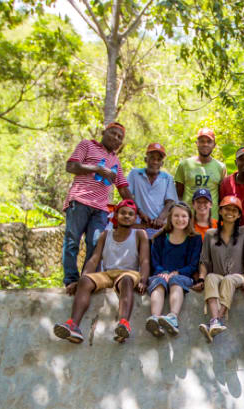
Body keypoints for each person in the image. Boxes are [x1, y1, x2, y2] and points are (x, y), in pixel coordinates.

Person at [54, 199, 150, 343]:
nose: (127, 216)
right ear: (116, 215)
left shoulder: (140, 234)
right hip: (107, 274)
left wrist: (143, 279)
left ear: (135, 218)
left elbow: (144, 260)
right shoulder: (106, 234)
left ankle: (123, 324)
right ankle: (73, 325)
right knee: (86, 281)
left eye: (131, 214)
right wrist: (82, 279)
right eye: (123, 213)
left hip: (129, 274)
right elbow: (94, 259)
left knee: (126, 280)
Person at [62, 122, 140, 292]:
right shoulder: (87, 145)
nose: (116, 139)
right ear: (104, 132)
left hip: (101, 208)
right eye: (113, 134)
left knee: (95, 243)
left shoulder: (115, 161)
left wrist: (140, 212)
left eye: (120, 137)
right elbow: (71, 166)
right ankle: (70, 279)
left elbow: (123, 188)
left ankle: (85, 280)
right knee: (72, 241)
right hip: (80, 200)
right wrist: (97, 168)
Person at [198, 195, 244, 342]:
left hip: (240, 275)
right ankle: (215, 322)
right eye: (227, 209)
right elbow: (204, 260)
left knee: (229, 279)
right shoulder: (211, 234)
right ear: (221, 212)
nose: (230, 212)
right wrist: (201, 278)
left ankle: (217, 318)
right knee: (210, 277)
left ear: (239, 214)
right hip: (218, 274)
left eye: (234, 210)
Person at [145, 202, 203, 337]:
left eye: (184, 216)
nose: (180, 219)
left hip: (183, 275)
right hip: (161, 274)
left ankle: (173, 317)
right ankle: (154, 318)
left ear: (189, 219)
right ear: (170, 218)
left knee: (176, 281)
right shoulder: (159, 237)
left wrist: (177, 272)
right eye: (176, 216)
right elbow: (154, 261)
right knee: (159, 282)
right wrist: (164, 272)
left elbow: (193, 264)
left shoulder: (195, 239)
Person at [127, 142, 178, 238]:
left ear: (162, 163)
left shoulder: (167, 178)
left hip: (159, 228)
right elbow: (127, 195)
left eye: (158, 159)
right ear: (146, 159)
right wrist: (140, 213)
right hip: (138, 226)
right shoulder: (135, 174)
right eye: (152, 158)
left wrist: (160, 219)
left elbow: (170, 202)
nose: (155, 162)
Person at [174, 128, 226, 219]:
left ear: (214, 145)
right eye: (202, 141)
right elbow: (178, 194)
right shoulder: (184, 165)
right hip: (187, 218)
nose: (205, 144)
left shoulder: (220, 167)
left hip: (211, 219)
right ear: (196, 143)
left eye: (209, 141)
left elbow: (222, 196)